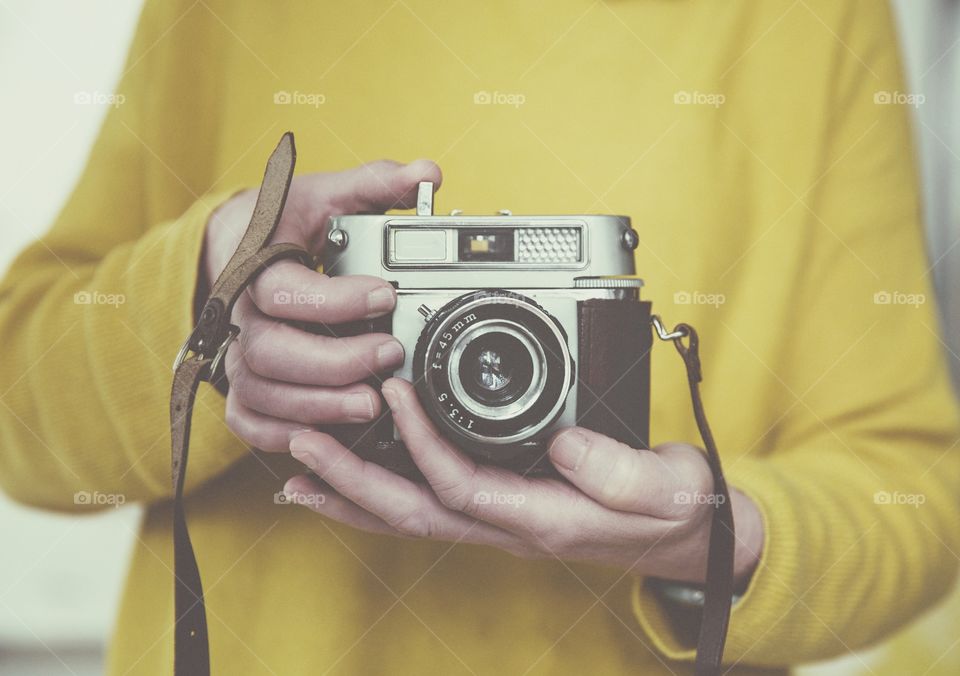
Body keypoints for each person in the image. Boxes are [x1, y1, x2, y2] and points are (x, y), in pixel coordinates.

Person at [1, 1, 957, 673]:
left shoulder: (805, 20)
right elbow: (18, 409)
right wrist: (206, 305)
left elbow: (914, 493)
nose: (486, 357)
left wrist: (711, 537)